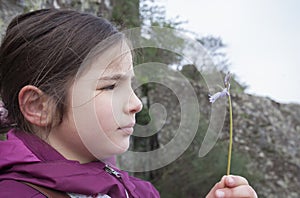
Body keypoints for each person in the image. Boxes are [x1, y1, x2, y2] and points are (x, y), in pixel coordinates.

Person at [0, 9, 257, 198]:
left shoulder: (137, 191)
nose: (136, 104)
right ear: (38, 106)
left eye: (130, 86)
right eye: (111, 86)